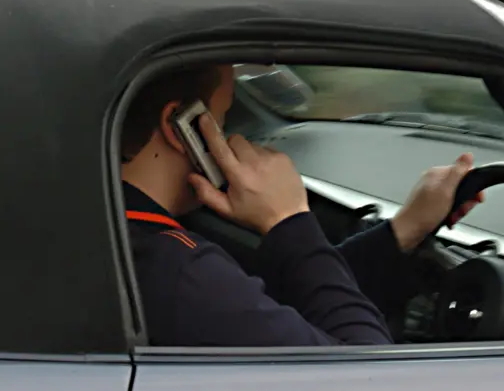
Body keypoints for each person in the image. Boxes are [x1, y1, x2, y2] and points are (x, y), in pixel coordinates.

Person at [121, 63, 483, 346]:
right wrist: (288, 217)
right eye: (225, 117)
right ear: (178, 126)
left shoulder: (123, 233)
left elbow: (277, 313)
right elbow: (368, 374)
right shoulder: (181, 272)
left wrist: (404, 230)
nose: (235, 138)